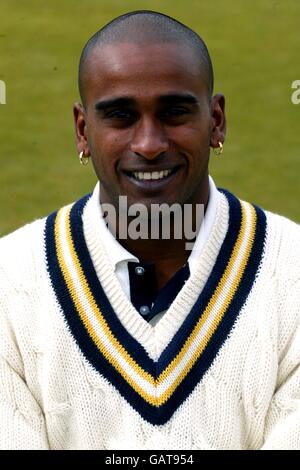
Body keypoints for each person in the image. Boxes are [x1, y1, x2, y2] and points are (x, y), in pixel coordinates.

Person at [0, 10, 299, 451]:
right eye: (120, 116)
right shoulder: (10, 282)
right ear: (83, 131)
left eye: (174, 112)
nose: (149, 144)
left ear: (215, 120)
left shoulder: (290, 271)